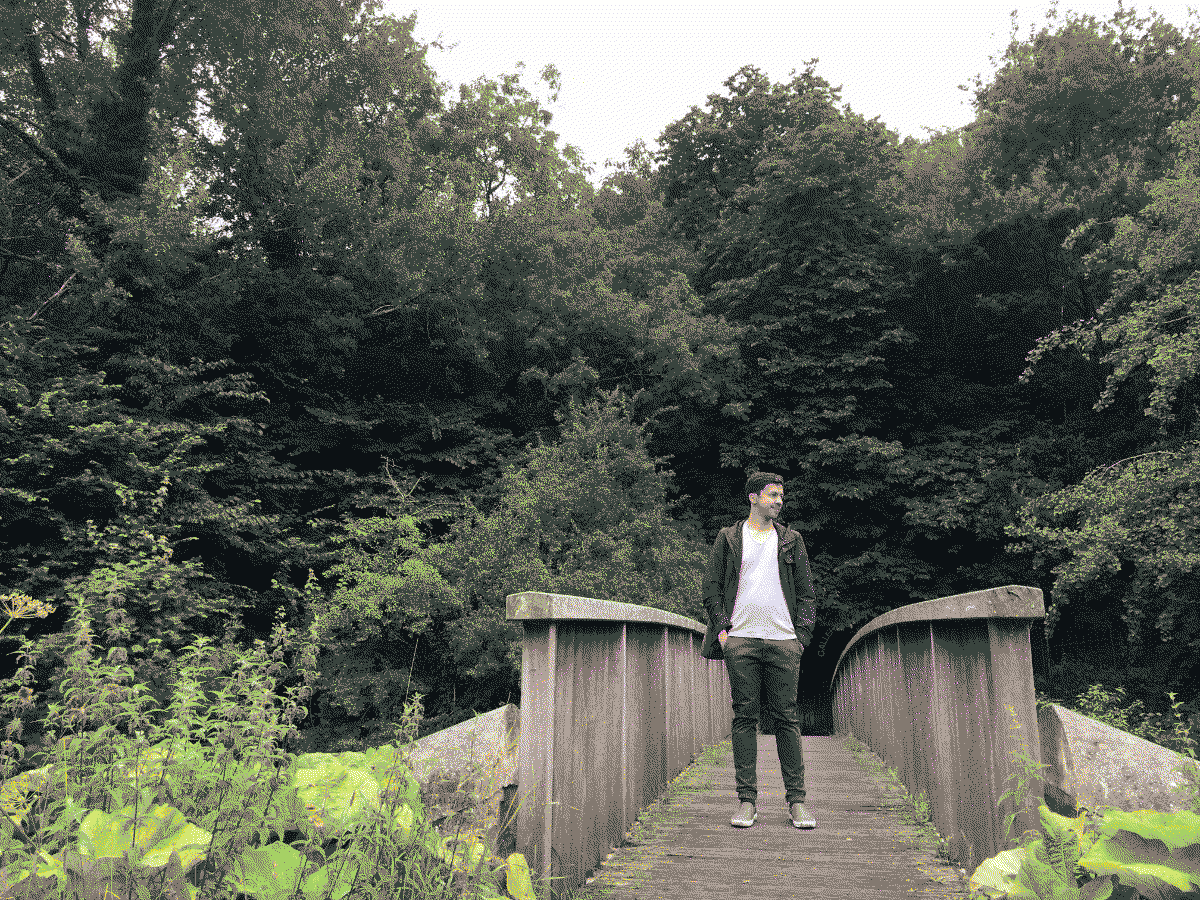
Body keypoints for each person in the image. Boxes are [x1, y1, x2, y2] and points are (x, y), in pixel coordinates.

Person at [700, 471, 818, 829]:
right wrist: (722, 628)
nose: (778, 501)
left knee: (786, 718)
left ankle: (797, 802)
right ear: (753, 498)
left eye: (781, 496)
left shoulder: (791, 540)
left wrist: (802, 637)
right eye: (771, 495)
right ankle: (747, 802)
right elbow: (711, 587)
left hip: (784, 641)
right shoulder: (730, 538)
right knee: (744, 718)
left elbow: (807, 593)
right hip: (742, 640)